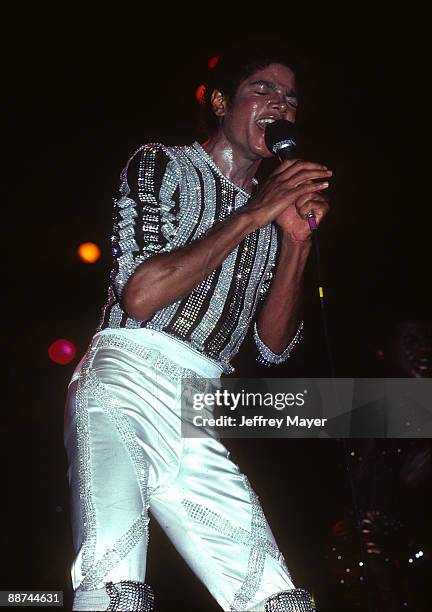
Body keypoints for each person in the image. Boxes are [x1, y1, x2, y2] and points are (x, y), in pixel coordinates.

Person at [63, 40, 331, 611]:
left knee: (272, 596)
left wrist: (294, 242)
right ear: (218, 102)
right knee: (114, 578)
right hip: (125, 380)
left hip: (200, 402)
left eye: (290, 97)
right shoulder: (161, 163)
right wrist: (256, 213)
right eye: (263, 89)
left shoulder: (271, 211)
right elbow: (142, 295)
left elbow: (272, 349)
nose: (280, 103)